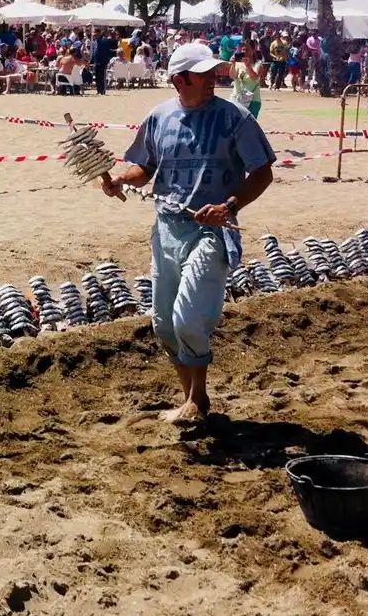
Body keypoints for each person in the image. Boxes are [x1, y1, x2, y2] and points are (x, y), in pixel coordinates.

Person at [101, 43, 275, 424]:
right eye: (203, 74)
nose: (213, 78)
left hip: (213, 231)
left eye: (213, 72)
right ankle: (193, 399)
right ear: (179, 80)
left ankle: (197, 398)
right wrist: (120, 179)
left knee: (187, 318)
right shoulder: (158, 117)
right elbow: (145, 167)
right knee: (164, 324)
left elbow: (263, 172)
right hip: (167, 229)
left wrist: (229, 207)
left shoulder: (236, 118)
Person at [231, 46, 263, 118]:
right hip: (236, 97)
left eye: (247, 50)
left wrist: (248, 66)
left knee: (249, 122)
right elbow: (232, 76)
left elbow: (254, 78)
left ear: (253, 51)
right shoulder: (238, 64)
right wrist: (233, 64)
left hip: (253, 100)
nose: (244, 51)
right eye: (243, 49)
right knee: (233, 122)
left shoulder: (258, 65)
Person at [92, 28, 113, 95]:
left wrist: (106, 60)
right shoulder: (95, 41)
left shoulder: (104, 40)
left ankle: (103, 90)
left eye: (96, 33)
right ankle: (98, 90)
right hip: (96, 61)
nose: (95, 35)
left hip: (102, 61)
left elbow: (107, 51)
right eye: (94, 33)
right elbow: (94, 52)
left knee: (102, 77)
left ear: (99, 33)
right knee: (97, 77)